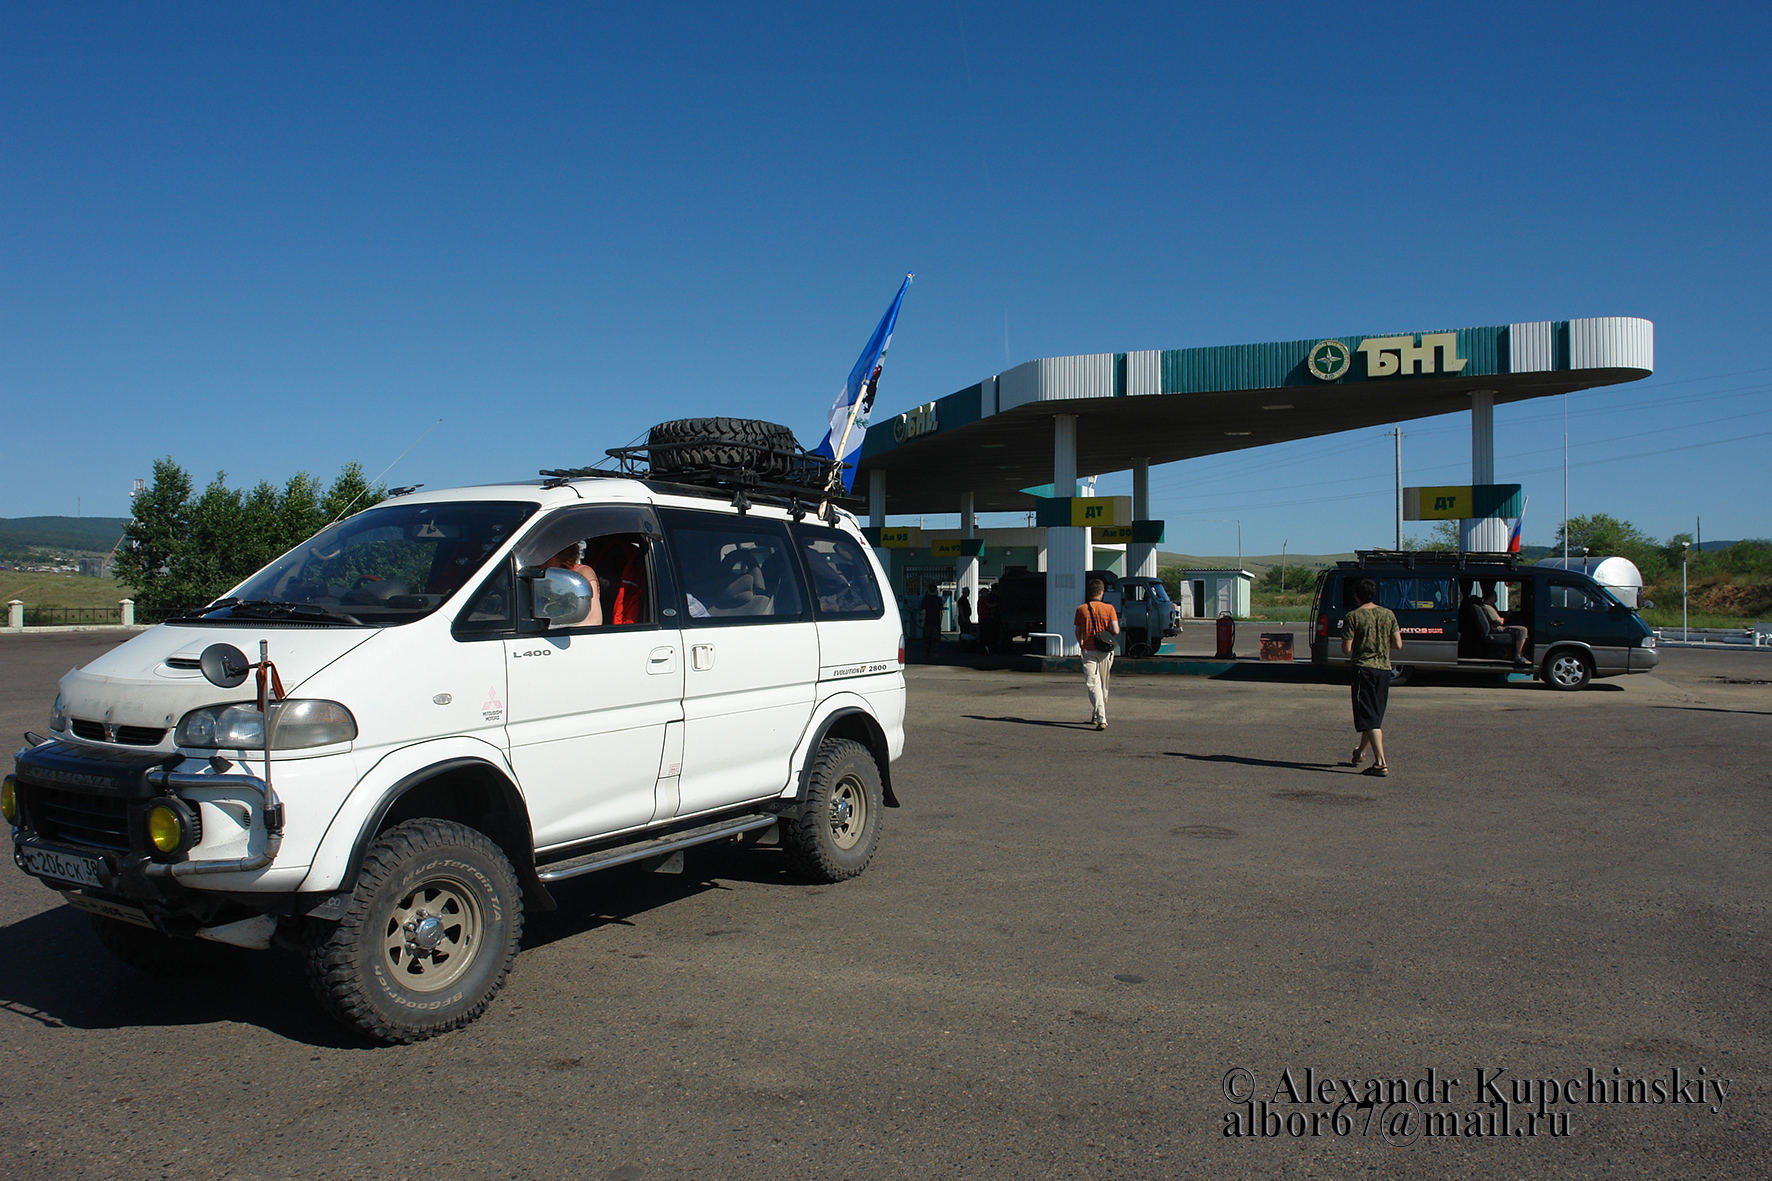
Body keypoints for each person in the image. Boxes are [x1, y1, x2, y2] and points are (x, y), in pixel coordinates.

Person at [1341, 577, 1400, 775]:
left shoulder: (1353, 616)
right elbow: (1398, 644)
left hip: (1363, 669)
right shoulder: (1388, 615)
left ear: (1356, 595)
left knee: (1369, 716)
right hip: (1384, 668)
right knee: (1374, 714)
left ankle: (1381, 763)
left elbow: (1346, 649)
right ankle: (1360, 752)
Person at [1074, 577, 1119, 730]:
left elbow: (1078, 631)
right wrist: (1106, 635)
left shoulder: (1081, 609)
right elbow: (1116, 630)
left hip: (1088, 650)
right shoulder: (1109, 609)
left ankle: (1099, 716)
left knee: (1093, 684)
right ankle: (1101, 716)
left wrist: (1081, 643)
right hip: (1105, 651)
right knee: (1103, 684)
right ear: (1101, 592)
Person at [545, 542, 603, 627]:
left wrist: (552, 628)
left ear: (563, 552)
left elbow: (595, 620)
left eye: (548, 554)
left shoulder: (581, 574)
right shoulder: (536, 575)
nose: (542, 560)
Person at [1481, 586, 1531, 667]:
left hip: (1499, 627)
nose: (1496, 598)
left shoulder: (1490, 607)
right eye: (1495, 596)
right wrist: (1507, 616)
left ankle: (1523, 654)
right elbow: (1500, 622)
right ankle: (1518, 655)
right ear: (1491, 597)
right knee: (1522, 630)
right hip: (1497, 629)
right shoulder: (1487, 607)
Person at [920, 584, 944, 661]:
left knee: (927, 641)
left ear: (928, 590)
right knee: (935, 642)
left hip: (927, 622)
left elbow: (924, 612)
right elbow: (940, 612)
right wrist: (940, 623)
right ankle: (935, 657)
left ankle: (927, 655)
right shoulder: (938, 599)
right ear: (936, 590)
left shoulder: (925, 599)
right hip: (936, 623)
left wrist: (923, 622)